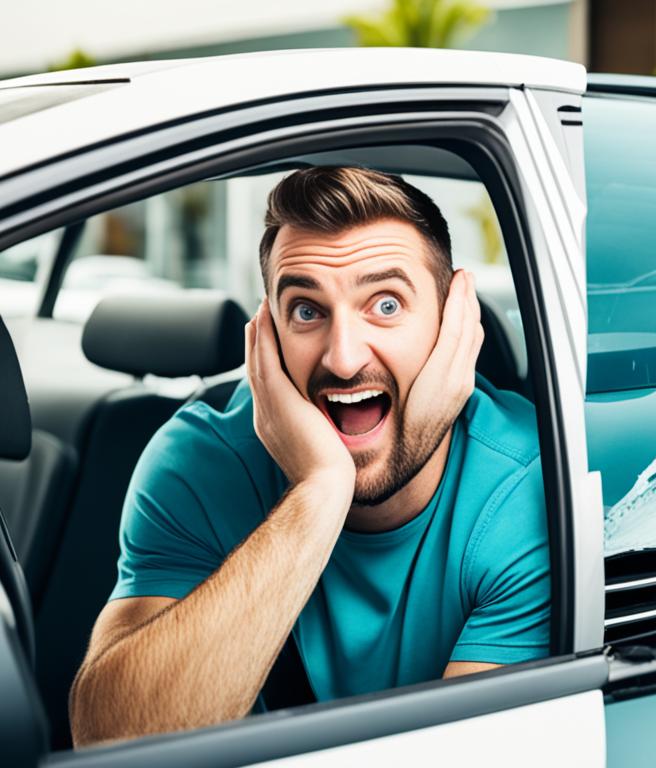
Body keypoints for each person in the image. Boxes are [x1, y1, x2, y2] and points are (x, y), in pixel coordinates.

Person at [69, 167, 550, 746]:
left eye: (387, 304)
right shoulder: (197, 463)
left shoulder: (530, 491)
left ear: (454, 324)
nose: (344, 359)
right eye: (306, 310)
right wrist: (321, 490)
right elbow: (108, 744)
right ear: (266, 334)